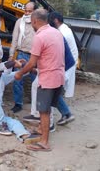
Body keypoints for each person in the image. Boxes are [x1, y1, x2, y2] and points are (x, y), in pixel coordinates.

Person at [15, 9, 65, 152]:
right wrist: (33, 68)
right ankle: (40, 129)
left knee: (44, 111)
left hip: (48, 79)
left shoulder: (40, 36)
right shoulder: (56, 33)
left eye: (31, 21)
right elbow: (51, 57)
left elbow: (31, 63)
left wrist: (19, 73)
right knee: (47, 108)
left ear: (35, 21)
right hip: (58, 76)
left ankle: (44, 142)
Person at [24, 12, 77, 127]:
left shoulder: (52, 34)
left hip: (62, 66)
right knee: (48, 91)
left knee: (47, 90)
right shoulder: (55, 32)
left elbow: (47, 56)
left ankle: (48, 122)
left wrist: (21, 72)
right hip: (61, 65)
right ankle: (64, 114)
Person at [0, 60, 40, 144]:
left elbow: (20, 73)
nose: (0, 70)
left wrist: (25, 66)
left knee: (14, 122)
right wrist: (12, 62)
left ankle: (24, 135)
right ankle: (1, 124)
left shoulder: (3, 77)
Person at [9, 2, 37, 113]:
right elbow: (14, 39)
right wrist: (11, 55)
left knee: (36, 81)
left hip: (35, 57)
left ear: (35, 12)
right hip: (22, 55)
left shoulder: (38, 23)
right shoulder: (19, 22)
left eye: (30, 11)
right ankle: (18, 104)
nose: (27, 13)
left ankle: (37, 106)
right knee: (17, 79)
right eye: (25, 10)